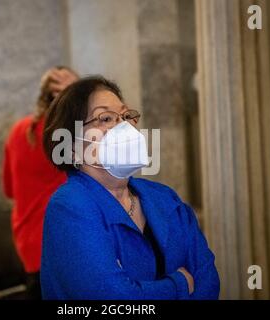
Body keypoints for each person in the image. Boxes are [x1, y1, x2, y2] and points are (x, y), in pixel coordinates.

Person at [40, 76, 220, 299]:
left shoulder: (164, 197)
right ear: (73, 147)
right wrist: (180, 284)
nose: (123, 126)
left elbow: (207, 278)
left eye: (126, 116)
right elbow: (114, 299)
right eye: (105, 118)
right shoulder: (69, 207)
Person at [2, 66, 78, 299]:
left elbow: (9, 190)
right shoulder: (70, 133)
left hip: (30, 246)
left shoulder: (18, 131)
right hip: (65, 243)